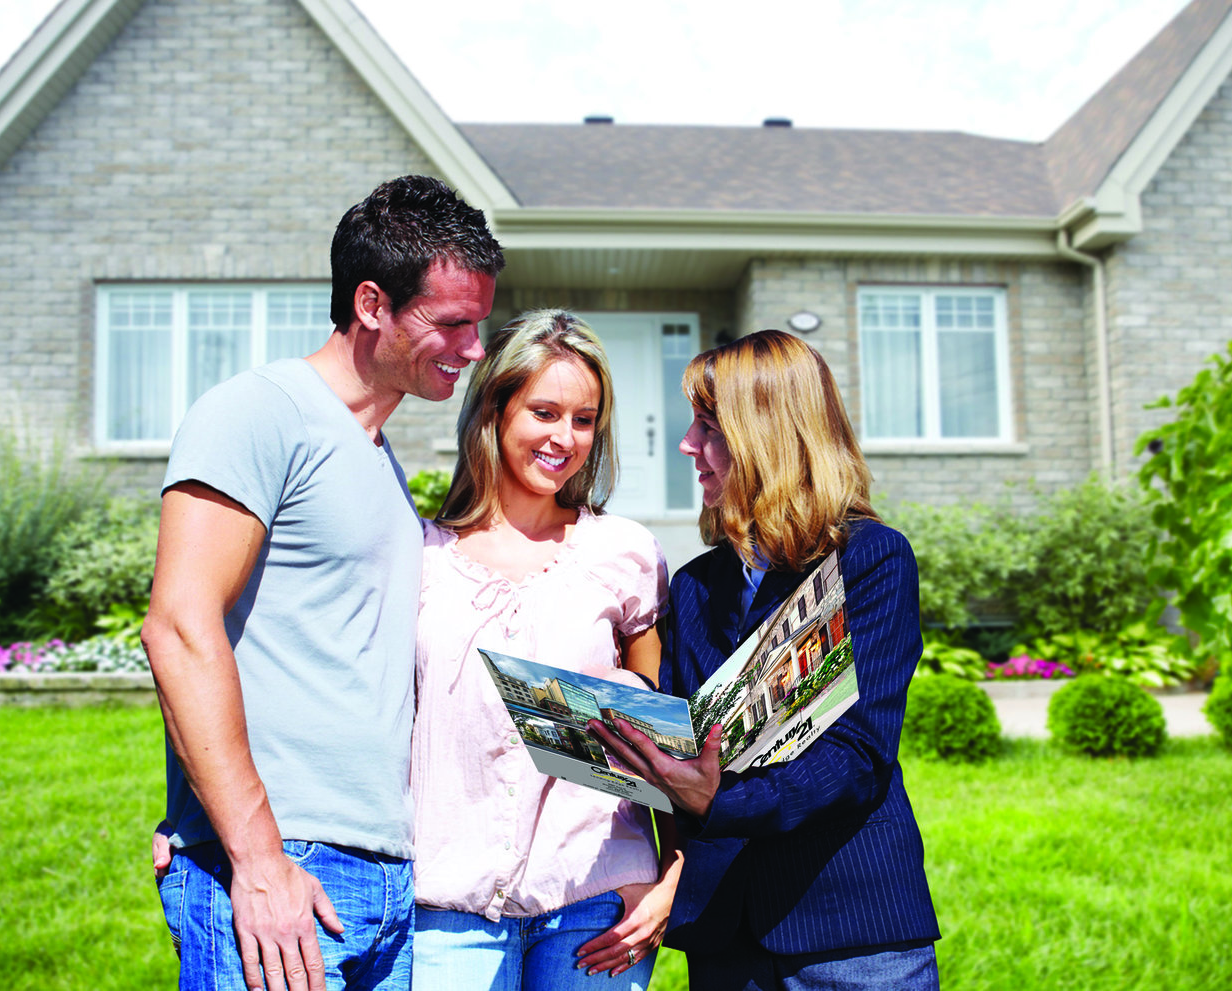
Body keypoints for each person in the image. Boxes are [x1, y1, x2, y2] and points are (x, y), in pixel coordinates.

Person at [143, 174, 503, 991]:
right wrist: (252, 854)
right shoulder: (260, 412)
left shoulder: (376, 459)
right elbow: (179, 627)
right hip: (287, 872)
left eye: (478, 324)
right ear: (372, 303)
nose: (474, 348)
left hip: (382, 877)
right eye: (452, 323)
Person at [590, 330, 941, 989]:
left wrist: (718, 795)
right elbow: (683, 741)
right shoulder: (694, 586)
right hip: (725, 936)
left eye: (706, 427)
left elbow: (857, 757)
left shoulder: (868, 560)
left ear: (766, 435)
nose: (687, 447)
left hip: (850, 931)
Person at [409, 309, 680, 991]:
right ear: (494, 409)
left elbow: (664, 747)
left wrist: (672, 875)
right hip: (448, 908)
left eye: (584, 419)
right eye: (545, 411)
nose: (565, 437)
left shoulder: (623, 554)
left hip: (595, 900)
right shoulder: (419, 557)